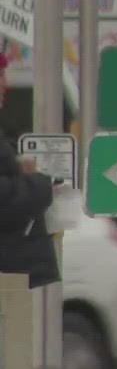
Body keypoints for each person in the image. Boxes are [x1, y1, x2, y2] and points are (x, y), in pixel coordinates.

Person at [0, 52, 58, 289]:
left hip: (17, 279)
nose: (5, 84)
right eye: (0, 75)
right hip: (10, 281)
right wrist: (39, 184)